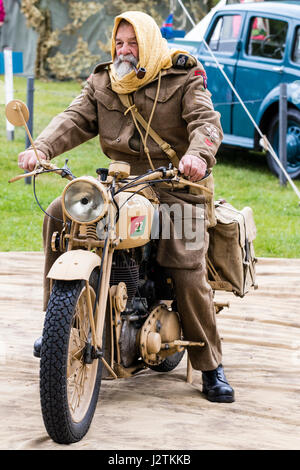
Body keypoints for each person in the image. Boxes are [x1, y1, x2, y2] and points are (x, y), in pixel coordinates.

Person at [18, 11, 234, 403]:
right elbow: (73, 118)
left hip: (175, 185)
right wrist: (41, 148)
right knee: (58, 215)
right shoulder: (104, 80)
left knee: (185, 267)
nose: (124, 50)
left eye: (132, 43)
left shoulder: (183, 75)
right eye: (119, 43)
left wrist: (198, 157)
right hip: (118, 182)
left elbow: (207, 123)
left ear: (149, 42)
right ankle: (59, 326)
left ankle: (210, 364)